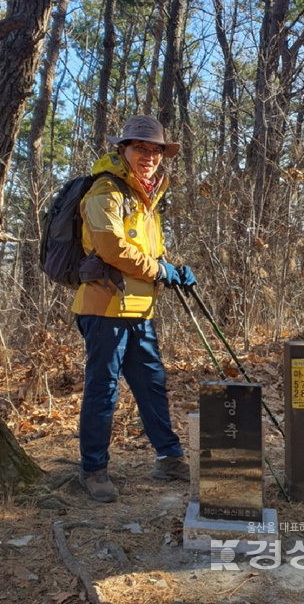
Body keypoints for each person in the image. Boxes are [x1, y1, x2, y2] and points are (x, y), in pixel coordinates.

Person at [72, 115, 197, 503]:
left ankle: (169, 457)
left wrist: (171, 269)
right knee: (103, 390)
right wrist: (161, 269)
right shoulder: (105, 192)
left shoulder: (146, 198)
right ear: (122, 150)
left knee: (151, 384)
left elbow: (145, 252)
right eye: (140, 148)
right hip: (104, 307)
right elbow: (112, 249)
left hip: (139, 308)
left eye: (156, 150)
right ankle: (93, 470)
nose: (149, 156)